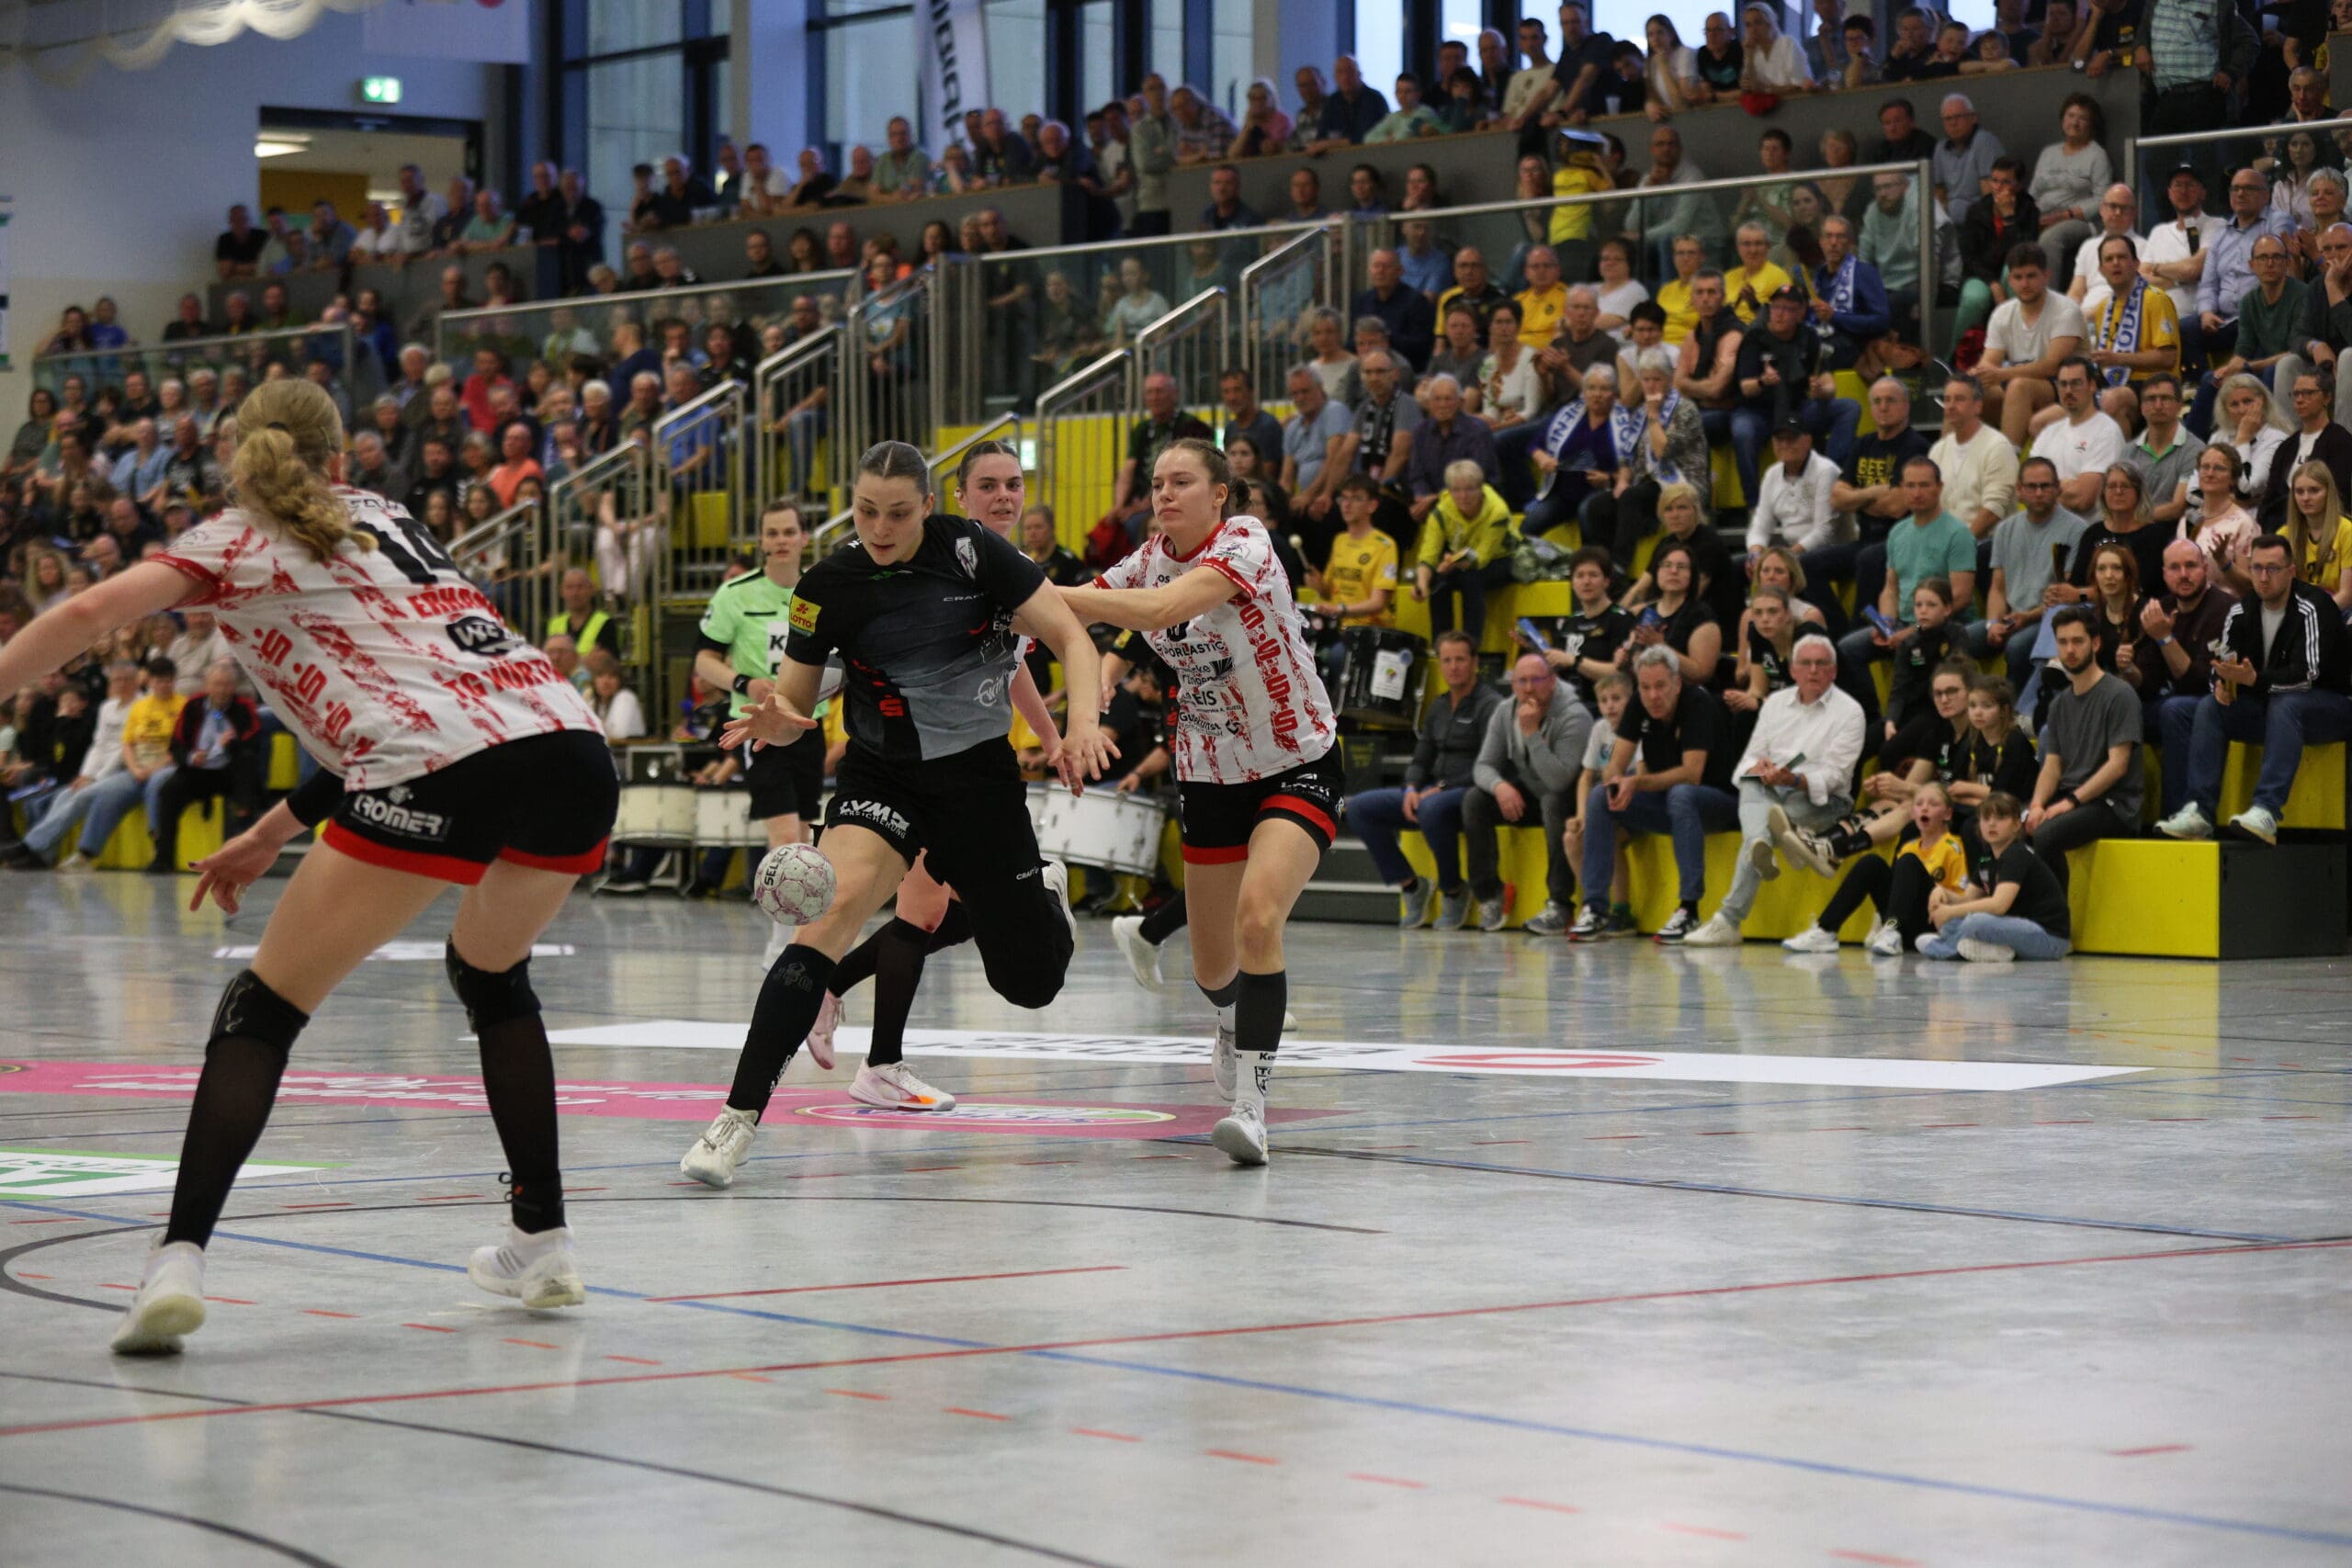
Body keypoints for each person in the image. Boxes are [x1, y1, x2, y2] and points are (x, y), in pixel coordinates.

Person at [0, 378, 617, 1352]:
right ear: (338, 458)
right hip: (570, 748)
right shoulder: (387, 516)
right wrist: (273, 829)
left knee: (264, 1008)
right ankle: (542, 1238)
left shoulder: (229, 541)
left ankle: (175, 1259)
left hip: (445, 760)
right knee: (492, 972)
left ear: (236, 457)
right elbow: (431, 693)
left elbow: (92, 609)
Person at [682, 441, 1110, 1187]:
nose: (880, 528)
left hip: (979, 780)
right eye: (866, 511)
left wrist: (1079, 727)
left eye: (899, 513)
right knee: (828, 917)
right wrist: (775, 721)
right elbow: (797, 701)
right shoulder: (827, 584)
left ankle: (1045, 890)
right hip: (883, 774)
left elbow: (1071, 634)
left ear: (928, 508)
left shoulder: (973, 552)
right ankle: (736, 1118)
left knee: (1030, 983)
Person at [1062, 439, 1339, 1165]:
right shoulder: (1148, 557)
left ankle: (1251, 1110)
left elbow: (1159, 607)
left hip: (1297, 759)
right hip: (1211, 771)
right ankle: (1228, 1018)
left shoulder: (1246, 540)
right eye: (1157, 482)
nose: (1164, 493)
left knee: (1259, 918)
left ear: (1220, 493)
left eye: (1181, 481)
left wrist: (1054, 595)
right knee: (1213, 969)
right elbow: (1081, 620)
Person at [797, 445, 1081, 1105]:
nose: (1004, 496)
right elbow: (840, 652)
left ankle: (858, 1022)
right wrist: (797, 696)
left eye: (1014, 484)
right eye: (989, 485)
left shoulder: (1008, 569)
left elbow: (1011, 665)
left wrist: (1052, 736)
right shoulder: (940, 554)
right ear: (950, 500)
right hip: (903, 763)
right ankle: (876, 1057)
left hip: (973, 770)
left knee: (949, 915)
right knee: (924, 914)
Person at [689, 502, 828, 956]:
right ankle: (781, 939)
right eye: (773, 533)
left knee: (804, 838)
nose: (781, 540)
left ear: (804, 538)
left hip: (808, 725)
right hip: (760, 729)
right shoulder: (736, 594)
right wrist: (743, 682)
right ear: (762, 541)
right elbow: (703, 660)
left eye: (789, 531)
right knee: (784, 836)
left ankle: (801, 935)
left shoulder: (820, 591)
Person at [2156, 533, 2352, 844]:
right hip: (2273, 709)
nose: (2263, 577)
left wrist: (2255, 680)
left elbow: (2309, 675)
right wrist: (2221, 684)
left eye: (2273, 569)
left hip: (2330, 709)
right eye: (2257, 568)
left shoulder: (2315, 606)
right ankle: (2198, 812)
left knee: (2287, 702)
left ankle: (2266, 810)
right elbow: (2223, 662)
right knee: (2209, 706)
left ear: (2291, 571)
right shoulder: (2241, 611)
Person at [1682, 635, 1865, 946]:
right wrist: (1761, 768)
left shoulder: (1850, 712)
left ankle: (1729, 919)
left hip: (1824, 801)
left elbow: (1835, 777)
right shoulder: (1776, 704)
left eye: (1821, 663)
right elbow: (1747, 761)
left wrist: (1793, 780)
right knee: (1751, 784)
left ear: (1834, 671)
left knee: (1761, 825)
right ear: (1792, 670)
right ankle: (1773, 841)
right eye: (1806, 663)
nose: (1813, 670)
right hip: (1772, 790)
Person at [1569, 645, 1738, 942]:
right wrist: (1616, 781)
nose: (1653, 695)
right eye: (1646, 687)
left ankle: (1689, 909)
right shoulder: (1639, 703)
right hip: (1669, 803)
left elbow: (1692, 773)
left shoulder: (1698, 703)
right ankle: (1595, 908)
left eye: (1661, 686)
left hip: (1718, 802)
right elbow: (1615, 765)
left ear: (1677, 683)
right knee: (1599, 795)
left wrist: (1637, 782)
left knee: (1681, 794)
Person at [1344, 631, 1500, 931]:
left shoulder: (1490, 705)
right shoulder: (1439, 706)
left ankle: (1453, 890)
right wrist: (1412, 788)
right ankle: (1411, 885)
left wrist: (1439, 789)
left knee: (1432, 808)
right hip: (1432, 791)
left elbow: (1490, 762)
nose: (1453, 667)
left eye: (1460, 660)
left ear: (1474, 662)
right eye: (1447, 660)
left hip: (1471, 792)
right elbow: (1421, 757)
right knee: (1360, 808)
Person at [1463, 652, 1592, 934]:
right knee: (1475, 799)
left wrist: (1531, 733)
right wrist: (1500, 786)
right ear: (1513, 685)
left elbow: (1558, 781)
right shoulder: (1505, 711)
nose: (1529, 688)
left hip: (1571, 799)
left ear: (1552, 681)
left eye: (1537, 680)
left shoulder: (1574, 716)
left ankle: (1560, 905)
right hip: (1533, 793)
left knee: (1553, 802)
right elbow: (1483, 766)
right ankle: (1490, 893)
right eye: (1522, 681)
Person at [2025, 605, 2142, 888]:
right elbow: (2052, 765)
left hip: (2113, 804)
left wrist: (2070, 802)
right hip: (2074, 797)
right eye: (2063, 642)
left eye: (2078, 641)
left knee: (2046, 835)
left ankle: (2056, 914)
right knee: (2006, 828)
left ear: (2096, 643)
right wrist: (2037, 805)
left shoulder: (2119, 694)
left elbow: (2118, 765)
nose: (2070, 650)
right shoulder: (2059, 704)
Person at [1783, 779, 1971, 955]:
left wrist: (1938, 892)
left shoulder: (1953, 848)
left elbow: (1964, 901)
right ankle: (1826, 931)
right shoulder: (1909, 846)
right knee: (1871, 863)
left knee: (1908, 861)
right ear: (1912, 813)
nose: (1925, 808)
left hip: (1932, 926)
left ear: (1947, 814)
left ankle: (1892, 930)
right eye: (1919, 804)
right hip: (1903, 925)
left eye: (1933, 804)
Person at [1972, 457, 2091, 694]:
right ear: (2019, 490)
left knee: (2016, 647)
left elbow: (2064, 596)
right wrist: (1993, 623)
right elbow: (1997, 588)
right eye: (2032, 486)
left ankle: (2016, 711)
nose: (2039, 493)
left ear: (2057, 488)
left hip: (2049, 618)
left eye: (2045, 486)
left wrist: (2027, 617)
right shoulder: (2005, 529)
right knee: (1960, 638)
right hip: (2013, 617)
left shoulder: (2076, 529)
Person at [1914, 790, 2073, 961]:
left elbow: (1999, 906)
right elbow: (1967, 900)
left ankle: (1942, 948)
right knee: (1954, 922)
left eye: (2000, 818)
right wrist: (1943, 893)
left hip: (2049, 939)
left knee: (1975, 922)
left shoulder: (2016, 854)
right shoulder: (1987, 858)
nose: (1991, 824)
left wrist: (1950, 911)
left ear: (2016, 825)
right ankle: (1992, 950)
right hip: (2016, 929)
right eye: (1986, 818)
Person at [148, 660, 262, 874]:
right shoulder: (193, 705)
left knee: (246, 771)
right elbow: (176, 743)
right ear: (207, 685)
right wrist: (192, 757)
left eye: (226, 685)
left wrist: (232, 744)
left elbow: (252, 743)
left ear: (234, 687)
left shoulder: (244, 707)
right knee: (169, 791)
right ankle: (163, 858)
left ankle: (246, 851)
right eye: (217, 684)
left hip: (230, 769)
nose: (221, 690)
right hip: (198, 770)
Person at [1979, 245, 2090, 450]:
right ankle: (1949, 461)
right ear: (2009, 280)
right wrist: (1979, 375)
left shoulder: (2067, 310)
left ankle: (2009, 459)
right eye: (2018, 277)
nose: (2024, 284)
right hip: (2019, 382)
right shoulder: (2002, 313)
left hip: (2067, 386)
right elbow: (1989, 362)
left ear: (2046, 276)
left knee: (2019, 386)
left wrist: (2000, 374)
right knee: (1965, 391)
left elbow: (2050, 367)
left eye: (2031, 276)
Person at [1414, 460, 1513, 641]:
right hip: (1461, 559)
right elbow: (1428, 555)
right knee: (1438, 581)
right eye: (1456, 490)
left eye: (1469, 489)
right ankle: (1441, 644)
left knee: (1471, 578)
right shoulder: (1440, 512)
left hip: (1501, 558)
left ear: (1480, 489)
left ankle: (1470, 645)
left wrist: (1452, 562)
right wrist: (1422, 584)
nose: (1463, 496)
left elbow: (1482, 557)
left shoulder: (1498, 511)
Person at [2277, 457, 2352, 611]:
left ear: (2328, 492)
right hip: (2300, 608)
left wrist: (2314, 615)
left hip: (2340, 609)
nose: (2306, 498)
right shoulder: (2284, 535)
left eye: (2314, 490)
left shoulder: (2347, 531)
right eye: (2299, 491)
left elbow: (2347, 594)